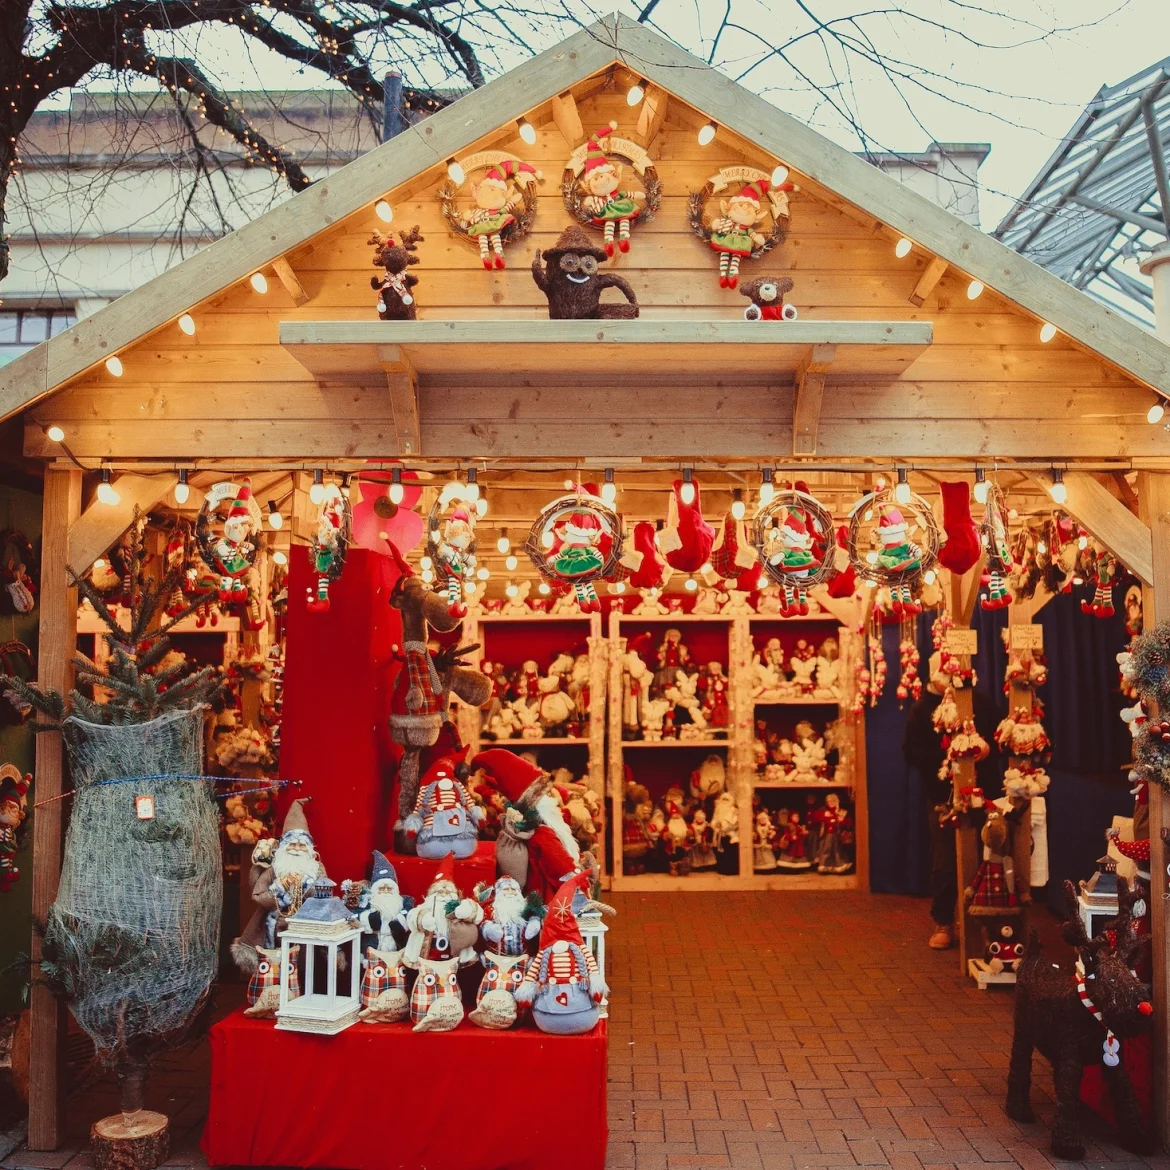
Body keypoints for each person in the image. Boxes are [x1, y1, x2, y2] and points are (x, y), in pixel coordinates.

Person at [902, 656, 1000, 950]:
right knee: (945, 862)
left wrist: (985, 748)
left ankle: (989, 924)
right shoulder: (922, 709)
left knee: (990, 859)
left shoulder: (980, 702)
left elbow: (999, 737)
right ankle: (944, 921)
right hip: (943, 797)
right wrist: (948, 758)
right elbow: (911, 752)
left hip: (985, 793)